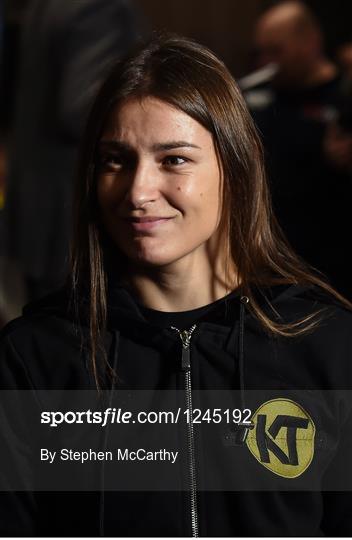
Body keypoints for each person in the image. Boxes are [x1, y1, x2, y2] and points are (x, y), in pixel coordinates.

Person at [0, 33, 352, 537]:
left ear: (235, 164)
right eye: (116, 160)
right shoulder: (36, 359)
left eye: (174, 159)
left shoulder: (327, 346)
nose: (138, 191)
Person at [2, 0, 142, 308]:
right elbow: (80, 109)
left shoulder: (49, 5)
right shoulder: (101, 7)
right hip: (72, 210)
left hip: (41, 205)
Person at [244, 1, 352, 299]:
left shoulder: (343, 94)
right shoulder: (257, 97)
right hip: (276, 266)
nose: (267, 62)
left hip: (336, 264)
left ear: (310, 42)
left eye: (276, 51)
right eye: (261, 52)